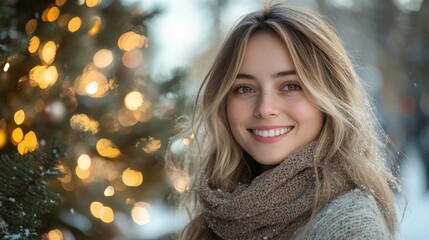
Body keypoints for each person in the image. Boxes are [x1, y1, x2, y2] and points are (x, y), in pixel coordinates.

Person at [168, 2, 402, 240]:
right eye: (244, 88)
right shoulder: (223, 207)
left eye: (291, 86)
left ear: (329, 97)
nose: (265, 109)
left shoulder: (348, 226)